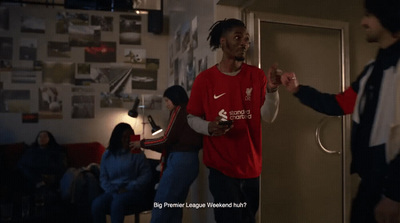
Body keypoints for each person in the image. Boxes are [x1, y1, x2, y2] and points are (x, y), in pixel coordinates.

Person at [280, 0, 400, 222]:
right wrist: (297, 90)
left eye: (369, 15)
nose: (363, 22)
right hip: (371, 188)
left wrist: (394, 194)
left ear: (388, 16)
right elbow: (338, 104)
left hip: (393, 191)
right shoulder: (372, 72)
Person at [186, 18, 281, 223]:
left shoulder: (256, 76)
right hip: (221, 168)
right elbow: (192, 118)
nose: (244, 43)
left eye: (246, 39)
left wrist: (272, 91)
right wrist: (209, 128)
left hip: (251, 167)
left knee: (248, 219)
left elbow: (267, 117)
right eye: (237, 37)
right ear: (222, 42)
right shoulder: (204, 80)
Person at [133, 85, 203, 223]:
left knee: (162, 204)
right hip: (191, 161)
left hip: (180, 162)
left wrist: (141, 143)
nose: (166, 105)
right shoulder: (193, 111)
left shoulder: (179, 110)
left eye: (167, 101)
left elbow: (166, 140)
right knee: (175, 207)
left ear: (174, 98)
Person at [91, 123, 152, 223]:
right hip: (113, 190)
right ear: (118, 138)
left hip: (132, 191)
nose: (127, 140)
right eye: (124, 137)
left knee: (117, 203)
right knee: (96, 204)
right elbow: (103, 177)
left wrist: (129, 187)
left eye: (130, 137)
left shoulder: (137, 153)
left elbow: (146, 175)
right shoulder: (108, 154)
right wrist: (110, 189)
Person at [18, 130, 67, 198]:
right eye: (39, 136)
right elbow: (22, 166)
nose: (42, 138)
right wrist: (37, 180)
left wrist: (48, 179)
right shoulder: (31, 151)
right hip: (33, 180)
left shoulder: (57, 151)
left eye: (45, 136)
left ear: (50, 139)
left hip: (51, 180)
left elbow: (62, 167)